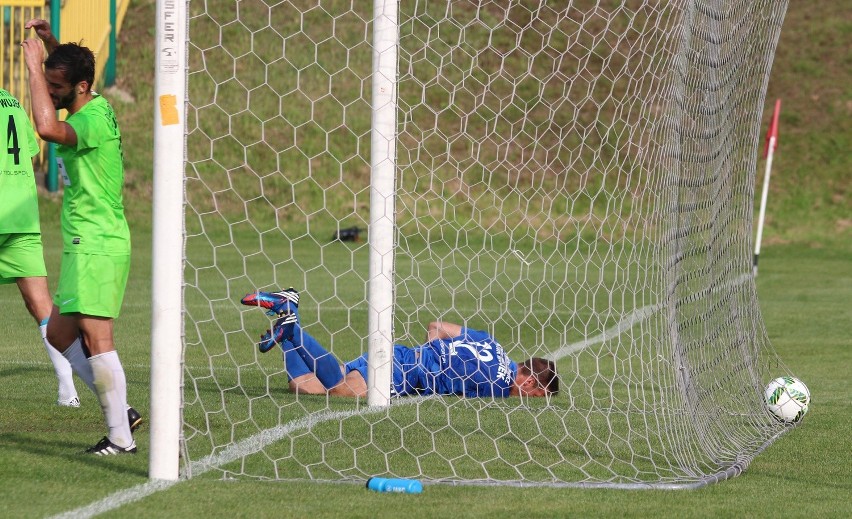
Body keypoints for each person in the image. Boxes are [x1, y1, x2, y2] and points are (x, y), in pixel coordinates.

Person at [22, 19, 141, 455]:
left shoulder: (89, 121)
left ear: (80, 86)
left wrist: (36, 69)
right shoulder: (92, 100)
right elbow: (71, 77)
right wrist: (52, 46)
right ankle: (121, 410)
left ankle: (120, 438)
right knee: (58, 333)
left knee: (96, 337)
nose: (52, 91)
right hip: (82, 244)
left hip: (98, 241)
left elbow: (47, 129)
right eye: (50, 82)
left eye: (58, 85)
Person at [241, 289, 559, 398]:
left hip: (403, 354)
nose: (531, 401)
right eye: (537, 397)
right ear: (529, 381)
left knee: (305, 387)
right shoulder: (501, 386)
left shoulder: (493, 343)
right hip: (404, 373)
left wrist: (432, 351)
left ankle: (287, 321)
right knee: (340, 392)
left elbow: (436, 325)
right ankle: (292, 329)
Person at [0, 86, 82, 407]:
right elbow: (32, 153)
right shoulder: (11, 100)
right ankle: (68, 392)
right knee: (42, 306)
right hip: (21, 214)